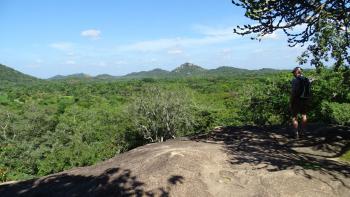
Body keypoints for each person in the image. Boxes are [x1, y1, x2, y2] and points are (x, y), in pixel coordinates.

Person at [290, 67, 309, 139]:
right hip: (305, 100)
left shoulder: (295, 80)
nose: (293, 74)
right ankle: (303, 132)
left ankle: (296, 133)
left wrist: (291, 100)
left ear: (296, 72)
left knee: (294, 116)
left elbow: (293, 92)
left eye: (294, 72)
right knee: (304, 115)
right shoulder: (306, 79)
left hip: (296, 100)